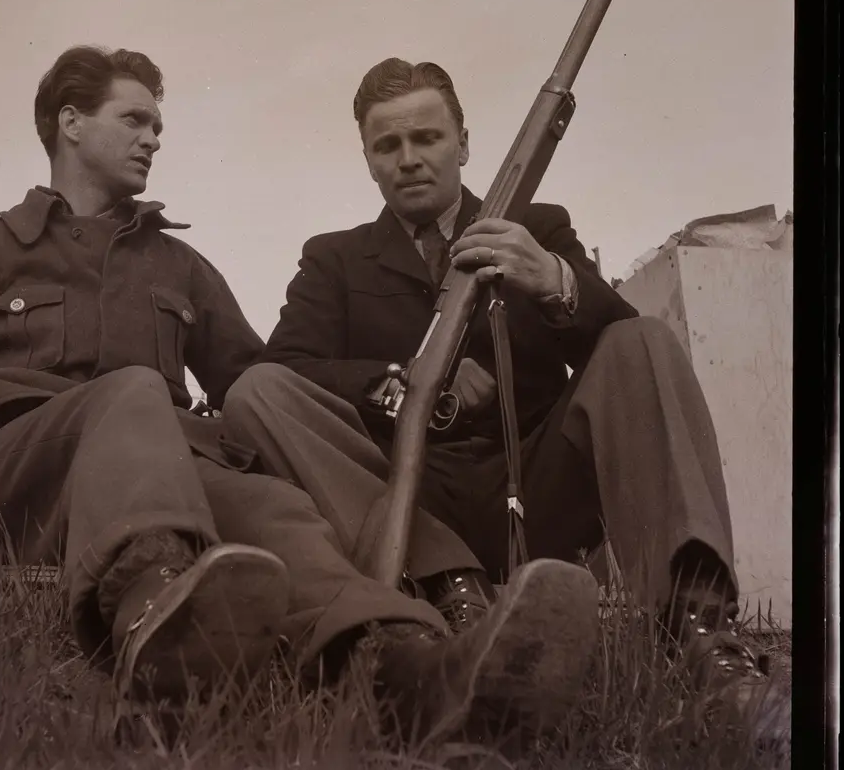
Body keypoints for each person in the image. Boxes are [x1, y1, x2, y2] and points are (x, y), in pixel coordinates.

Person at [0, 45, 598, 741]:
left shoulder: (178, 268)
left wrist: (396, 392)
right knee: (131, 394)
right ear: (70, 123)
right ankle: (155, 608)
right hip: (24, 481)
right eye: (135, 120)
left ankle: (413, 669)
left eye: (158, 124)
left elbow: (263, 382)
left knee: (274, 508)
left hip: (167, 477)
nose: (154, 138)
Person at [225, 57, 776, 734]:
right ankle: (455, 598)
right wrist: (402, 380)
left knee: (644, 341)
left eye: (427, 138)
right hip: (402, 498)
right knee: (258, 393)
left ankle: (703, 637)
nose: (408, 159)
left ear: (463, 144)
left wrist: (554, 280)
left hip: (535, 486)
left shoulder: (538, 227)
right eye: (387, 145)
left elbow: (621, 350)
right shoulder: (333, 259)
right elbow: (285, 368)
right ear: (367, 160)